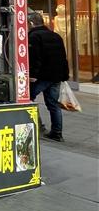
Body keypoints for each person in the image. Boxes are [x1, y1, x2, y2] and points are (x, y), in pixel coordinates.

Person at [28, 11, 69, 141]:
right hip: (56, 76)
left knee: (28, 99)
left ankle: (38, 127)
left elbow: (35, 58)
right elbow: (63, 57)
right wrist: (64, 75)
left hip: (42, 76)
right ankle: (57, 133)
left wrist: (33, 75)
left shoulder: (33, 37)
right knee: (53, 104)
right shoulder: (56, 36)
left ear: (31, 23)